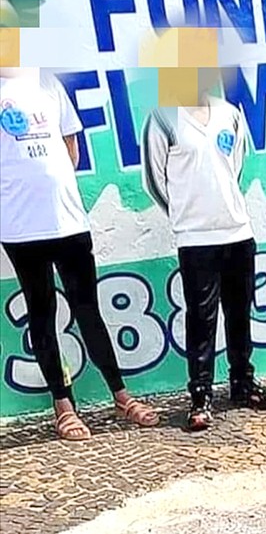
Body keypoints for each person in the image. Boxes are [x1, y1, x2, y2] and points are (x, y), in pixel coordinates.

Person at [0, 66, 159, 440]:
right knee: (42, 314)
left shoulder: (46, 82)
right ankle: (64, 407)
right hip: (21, 227)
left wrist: (53, 187)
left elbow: (70, 145)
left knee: (88, 309)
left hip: (68, 221)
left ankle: (121, 396)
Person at [141, 59, 266, 432]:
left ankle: (242, 383)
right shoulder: (163, 118)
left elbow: (234, 167)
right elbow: (155, 180)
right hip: (195, 239)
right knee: (202, 318)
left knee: (240, 310)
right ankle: (201, 394)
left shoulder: (229, 115)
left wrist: (220, 207)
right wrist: (187, 215)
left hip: (236, 231)